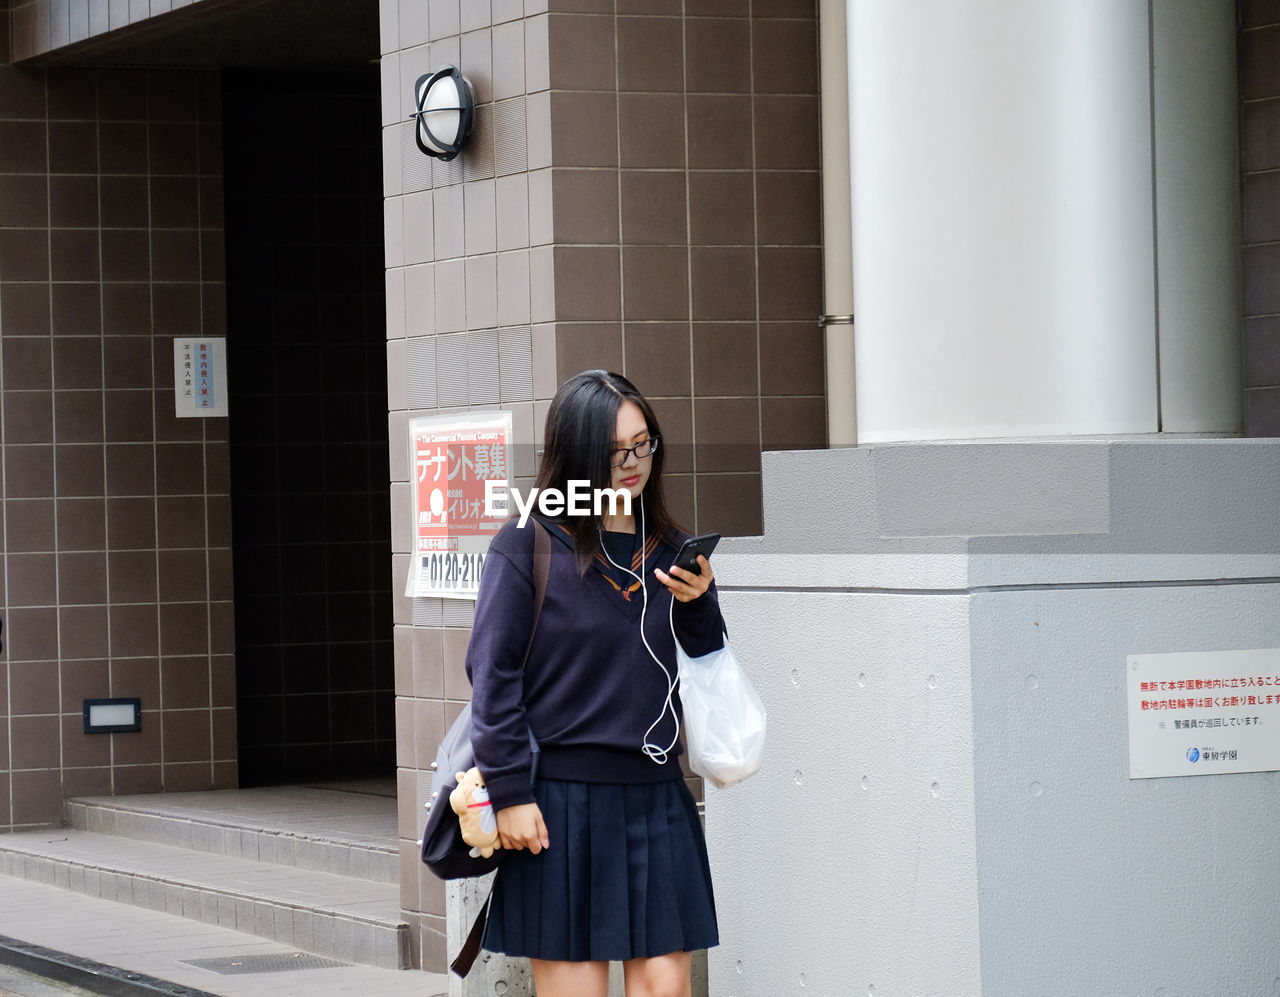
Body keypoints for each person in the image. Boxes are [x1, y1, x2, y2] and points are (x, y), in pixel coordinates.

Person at [466, 370, 725, 997]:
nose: (634, 463)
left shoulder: (669, 548)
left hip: (656, 794)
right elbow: (492, 676)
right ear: (578, 456)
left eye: (644, 444)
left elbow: (703, 668)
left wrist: (700, 603)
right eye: (616, 452)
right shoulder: (527, 542)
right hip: (560, 804)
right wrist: (510, 792)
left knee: (667, 988)